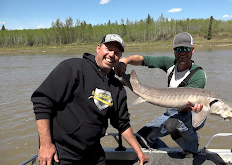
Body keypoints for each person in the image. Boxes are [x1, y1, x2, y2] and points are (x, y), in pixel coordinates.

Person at [31, 34, 149, 165]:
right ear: (98, 48)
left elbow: (122, 124)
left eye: (117, 53)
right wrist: (46, 145)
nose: (111, 54)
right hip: (62, 152)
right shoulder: (73, 68)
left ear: (120, 58)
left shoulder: (117, 88)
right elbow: (42, 101)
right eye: (108, 49)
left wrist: (139, 152)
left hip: (93, 153)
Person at [115, 32, 208, 155]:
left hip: (188, 113)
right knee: (142, 137)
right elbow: (144, 60)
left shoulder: (198, 74)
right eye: (178, 49)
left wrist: (194, 108)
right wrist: (125, 60)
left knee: (172, 124)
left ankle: (191, 145)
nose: (182, 53)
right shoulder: (170, 63)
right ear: (174, 51)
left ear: (193, 49)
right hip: (169, 111)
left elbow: (185, 109)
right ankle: (166, 152)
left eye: (186, 49)